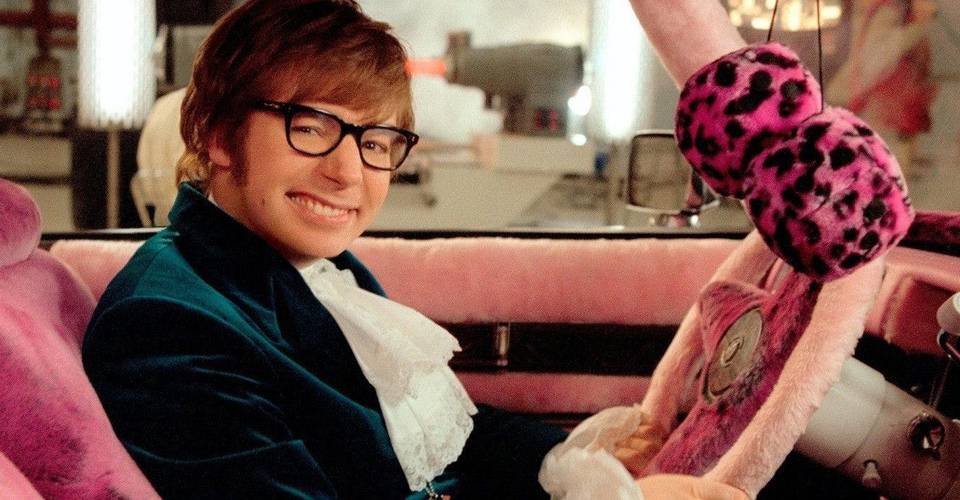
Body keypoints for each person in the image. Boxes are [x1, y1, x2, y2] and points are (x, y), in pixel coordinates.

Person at [82, 0, 749, 498]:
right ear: (217, 134)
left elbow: (433, 427)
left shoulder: (320, 269)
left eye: (376, 142)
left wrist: (574, 463)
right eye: (310, 127)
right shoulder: (169, 326)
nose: (348, 173)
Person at [826, 0, 939, 176]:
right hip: (883, 75)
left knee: (898, 127)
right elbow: (878, 48)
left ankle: (894, 170)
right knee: (886, 129)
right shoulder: (881, 13)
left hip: (893, 71)